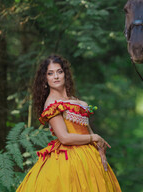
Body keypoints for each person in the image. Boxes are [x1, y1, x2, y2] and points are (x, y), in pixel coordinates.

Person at [17, 55, 121, 192]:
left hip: (90, 156)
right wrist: (94, 137)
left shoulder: (73, 99)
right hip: (69, 159)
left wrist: (100, 149)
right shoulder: (52, 103)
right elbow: (64, 138)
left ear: (65, 74)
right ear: (45, 79)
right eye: (50, 73)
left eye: (59, 72)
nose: (56, 76)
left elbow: (87, 129)